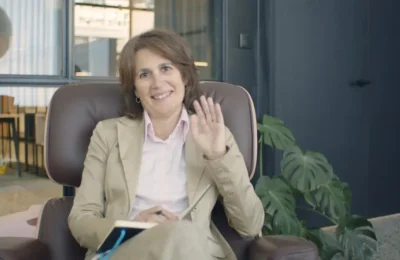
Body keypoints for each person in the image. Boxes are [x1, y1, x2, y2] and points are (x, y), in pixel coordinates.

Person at [68, 28, 264, 260]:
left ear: (185, 77)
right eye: (144, 74)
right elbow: (81, 219)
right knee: (181, 234)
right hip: (126, 250)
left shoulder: (214, 134)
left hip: (191, 250)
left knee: (183, 235)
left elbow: (250, 225)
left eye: (166, 68)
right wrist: (131, 227)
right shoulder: (108, 134)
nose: (157, 83)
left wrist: (218, 156)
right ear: (135, 90)